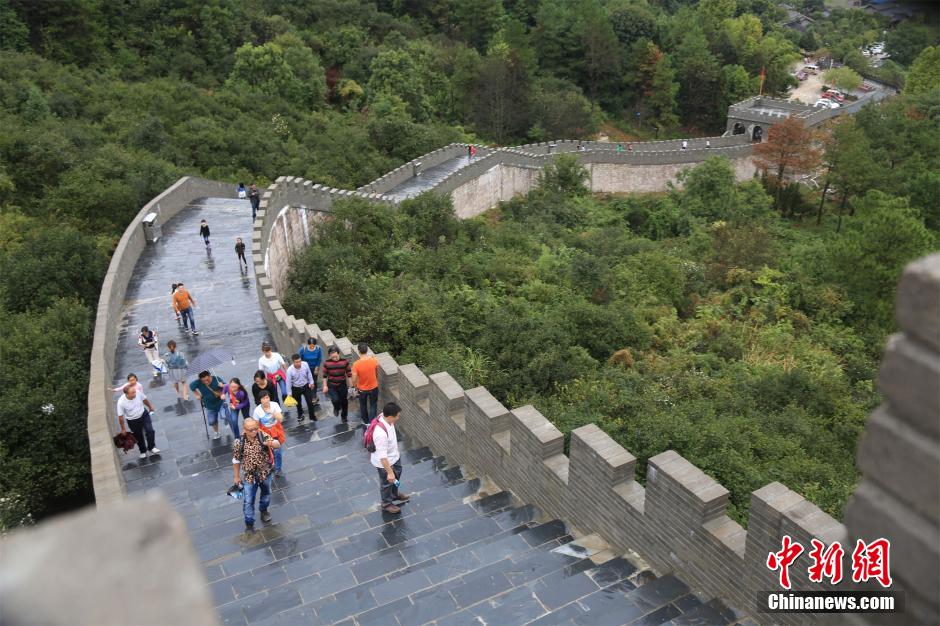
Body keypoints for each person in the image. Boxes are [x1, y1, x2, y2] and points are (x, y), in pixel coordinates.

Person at [232, 418, 280, 532]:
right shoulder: (239, 442)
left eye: (255, 428)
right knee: (248, 500)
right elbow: (236, 460)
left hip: (265, 473)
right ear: (244, 430)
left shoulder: (262, 435)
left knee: (266, 494)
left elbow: (277, 444)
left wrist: (271, 443)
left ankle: (263, 510)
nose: (254, 431)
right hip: (249, 476)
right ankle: (249, 522)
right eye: (250, 430)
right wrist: (236, 476)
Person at [370, 403, 409, 514]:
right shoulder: (380, 434)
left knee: (397, 476)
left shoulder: (384, 416)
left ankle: (394, 494)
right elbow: (383, 457)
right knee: (387, 483)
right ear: (390, 416)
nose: (398, 417)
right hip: (385, 463)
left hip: (394, 457)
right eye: (397, 416)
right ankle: (386, 503)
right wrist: (389, 472)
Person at [116, 384, 160, 459]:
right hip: (132, 420)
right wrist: (123, 429)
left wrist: (150, 406)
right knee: (138, 436)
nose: (135, 393)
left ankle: (151, 447)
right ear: (127, 394)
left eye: (134, 392)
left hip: (143, 414)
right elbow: (120, 417)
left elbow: (144, 399)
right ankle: (142, 451)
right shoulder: (121, 402)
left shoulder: (137, 392)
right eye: (132, 393)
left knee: (150, 431)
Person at [252, 391, 285, 476]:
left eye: (267, 397)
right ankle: (272, 464)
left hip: (276, 429)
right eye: (263, 398)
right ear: (260, 400)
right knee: (269, 450)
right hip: (265, 432)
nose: (266, 400)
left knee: (277, 450)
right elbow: (256, 425)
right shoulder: (257, 411)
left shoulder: (274, 405)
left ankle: (278, 468)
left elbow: (280, 419)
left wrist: (272, 412)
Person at [190, 370, 226, 440]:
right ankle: (216, 432)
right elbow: (191, 386)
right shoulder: (198, 382)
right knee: (212, 421)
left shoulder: (216, 378)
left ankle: (226, 419)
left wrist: (222, 385)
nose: (206, 382)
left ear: (210, 376)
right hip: (209, 405)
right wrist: (197, 394)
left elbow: (226, 386)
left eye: (207, 379)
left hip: (220, 402)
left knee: (224, 416)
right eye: (203, 381)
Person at [351, 343, 379, 423]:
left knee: (363, 405)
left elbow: (354, 378)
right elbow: (376, 371)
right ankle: (372, 423)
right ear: (367, 350)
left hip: (362, 389)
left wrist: (355, 386)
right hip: (374, 387)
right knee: (373, 405)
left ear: (359, 351)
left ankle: (366, 421)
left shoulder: (356, 364)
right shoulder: (374, 360)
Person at [322, 346, 352, 421]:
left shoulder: (345, 362)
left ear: (338, 353)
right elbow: (324, 376)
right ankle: (336, 407)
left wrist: (351, 386)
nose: (332, 355)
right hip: (332, 385)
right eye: (331, 354)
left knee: (344, 401)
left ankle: (344, 417)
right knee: (335, 400)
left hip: (342, 384)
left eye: (334, 353)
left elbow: (349, 375)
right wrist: (325, 386)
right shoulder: (327, 363)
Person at [286, 354, 317, 422]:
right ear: (293, 362)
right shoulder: (289, 370)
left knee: (309, 402)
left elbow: (309, 373)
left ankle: (312, 416)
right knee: (298, 403)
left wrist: (311, 382)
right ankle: (300, 414)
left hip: (305, 385)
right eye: (297, 362)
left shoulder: (305, 364)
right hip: (296, 388)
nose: (299, 363)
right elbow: (288, 382)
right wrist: (289, 393)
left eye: (300, 361)